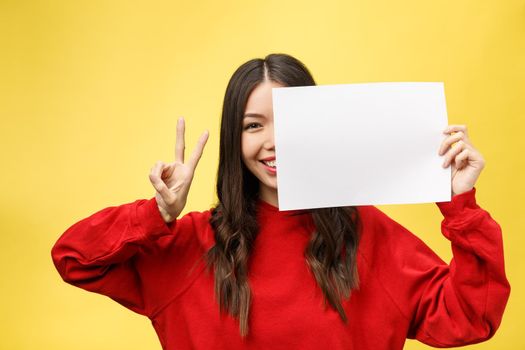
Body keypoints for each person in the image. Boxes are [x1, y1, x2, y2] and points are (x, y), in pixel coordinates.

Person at [51, 53, 510, 349]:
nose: (273, 142)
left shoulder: (367, 233)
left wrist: (461, 204)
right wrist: (157, 214)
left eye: (289, 121)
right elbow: (75, 257)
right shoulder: (190, 244)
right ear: (236, 139)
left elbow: (471, 317)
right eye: (254, 126)